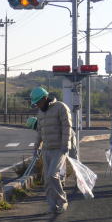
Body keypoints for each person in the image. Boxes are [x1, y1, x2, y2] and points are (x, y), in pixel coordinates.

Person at [30, 86, 72, 214]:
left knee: (52, 175)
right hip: (47, 149)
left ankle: (62, 201)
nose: (37, 105)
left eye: (38, 102)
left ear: (45, 98)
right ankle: (52, 205)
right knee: (47, 179)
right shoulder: (41, 112)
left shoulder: (61, 107)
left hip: (60, 148)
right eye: (36, 103)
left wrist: (66, 145)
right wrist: (36, 147)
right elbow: (40, 132)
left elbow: (67, 127)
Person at [26, 116, 78, 188]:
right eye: (34, 128)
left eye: (35, 126)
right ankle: (61, 180)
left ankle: (78, 179)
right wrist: (37, 149)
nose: (36, 129)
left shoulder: (46, 124)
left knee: (73, 158)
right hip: (59, 141)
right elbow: (40, 138)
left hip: (69, 135)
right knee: (61, 160)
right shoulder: (42, 126)